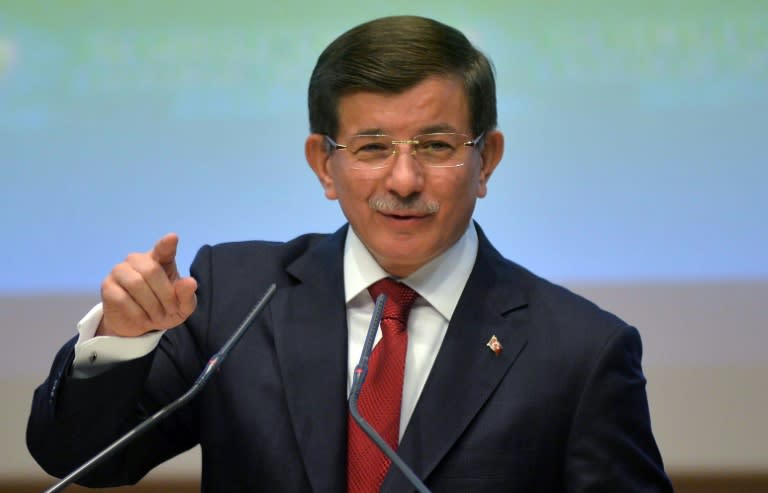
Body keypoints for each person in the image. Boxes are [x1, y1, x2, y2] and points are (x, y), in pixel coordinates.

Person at [27, 15, 673, 492]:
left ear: (487, 160)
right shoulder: (237, 295)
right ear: (324, 165)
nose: (403, 180)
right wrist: (118, 340)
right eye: (371, 148)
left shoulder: (581, 353)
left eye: (436, 145)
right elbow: (76, 455)